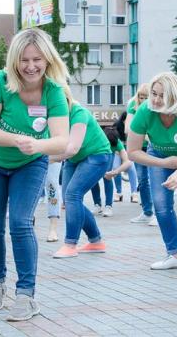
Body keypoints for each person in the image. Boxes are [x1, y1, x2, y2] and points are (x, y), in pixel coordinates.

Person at [0, 28, 69, 321]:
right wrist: (17, 140)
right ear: (14, 60)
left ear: (47, 59)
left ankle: (26, 295)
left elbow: (61, 139)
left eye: (37, 59)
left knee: (20, 223)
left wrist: (37, 145)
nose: (30, 66)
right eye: (24, 60)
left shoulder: (53, 91)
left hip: (30, 164)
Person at [128, 72, 177, 277]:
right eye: (154, 93)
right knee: (161, 206)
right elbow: (133, 152)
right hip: (159, 155)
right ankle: (175, 255)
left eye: (162, 95)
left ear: (176, 95)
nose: (156, 99)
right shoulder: (145, 110)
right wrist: (164, 163)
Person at [52, 93, 113, 259]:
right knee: (70, 199)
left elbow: (72, 148)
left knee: (73, 195)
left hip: (97, 155)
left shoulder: (79, 113)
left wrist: (43, 159)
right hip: (74, 159)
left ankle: (70, 244)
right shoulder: (50, 114)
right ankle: (96, 242)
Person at [125, 83, 155, 224]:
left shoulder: (155, 106)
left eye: (146, 97)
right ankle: (147, 212)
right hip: (138, 148)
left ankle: (156, 213)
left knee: (154, 179)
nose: (143, 100)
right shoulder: (133, 106)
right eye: (141, 97)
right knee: (143, 180)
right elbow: (127, 128)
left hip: (153, 147)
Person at [89, 128, 132, 217]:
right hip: (96, 156)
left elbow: (127, 162)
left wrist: (115, 171)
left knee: (108, 177)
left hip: (108, 157)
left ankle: (108, 206)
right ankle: (97, 204)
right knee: (93, 179)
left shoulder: (117, 142)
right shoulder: (97, 139)